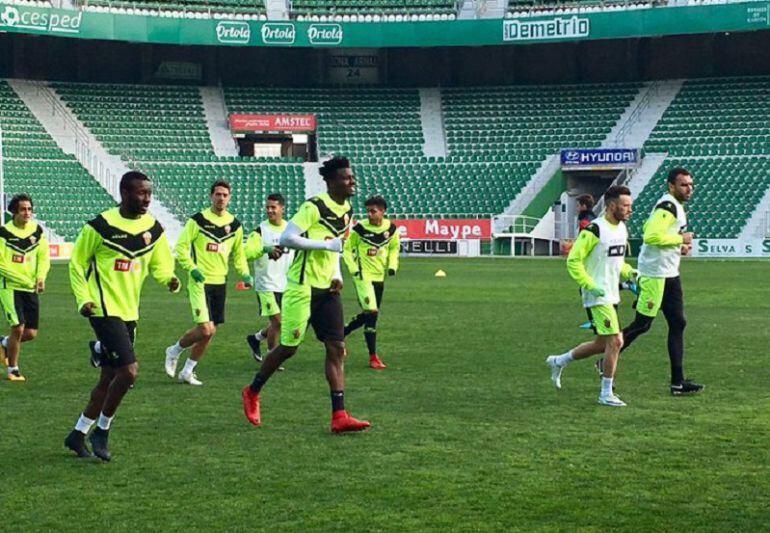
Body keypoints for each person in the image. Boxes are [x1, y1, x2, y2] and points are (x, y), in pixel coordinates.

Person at [241, 156, 371, 433]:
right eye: (347, 177)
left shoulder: (347, 208)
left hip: (328, 289)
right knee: (288, 348)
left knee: (336, 348)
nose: (352, 181)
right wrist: (324, 245)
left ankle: (340, 415)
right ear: (331, 181)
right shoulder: (314, 207)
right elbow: (287, 238)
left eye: (352, 177)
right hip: (301, 288)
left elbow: (337, 246)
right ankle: (252, 391)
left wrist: (336, 273)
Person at [65, 171, 180, 461]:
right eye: (141, 193)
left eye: (149, 194)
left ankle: (78, 434)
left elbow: (161, 265)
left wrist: (170, 279)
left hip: (130, 311)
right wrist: (84, 298)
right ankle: (102, 430)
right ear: (125, 193)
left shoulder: (153, 229)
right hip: (103, 308)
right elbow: (77, 264)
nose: (147, 199)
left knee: (108, 379)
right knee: (129, 372)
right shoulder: (100, 226)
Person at [614, 168, 703, 395]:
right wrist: (679, 239)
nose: (689, 188)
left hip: (669, 273)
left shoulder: (674, 207)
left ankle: (677, 382)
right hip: (655, 274)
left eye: (691, 184)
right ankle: (606, 358)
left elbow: (650, 230)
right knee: (642, 324)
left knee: (678, 323)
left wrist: (678, 246)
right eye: (684, 185)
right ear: (671, 186)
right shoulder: (668, 207)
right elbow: (650, 235)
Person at [546, 185, 636, 407]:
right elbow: (573, 261)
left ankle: (558, 361)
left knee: (600, 344)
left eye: (630, 206)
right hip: (597, 296)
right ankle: (606, 393)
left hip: (612, 293)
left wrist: (631, 273)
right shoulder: (594, 230)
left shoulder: (622, 229)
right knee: (616, 341)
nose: (629, 210)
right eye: (625, 206)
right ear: (611, 205)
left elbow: (617, 262)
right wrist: (590, 285)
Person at [164, 180, 252, 386]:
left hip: (220, 283)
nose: (221, 198)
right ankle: (174, 350)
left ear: (229, 198)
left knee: (211, 331)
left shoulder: (236, 226)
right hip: (200, 282)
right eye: (218, 194)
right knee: (205, 329)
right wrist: (192, 269)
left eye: (225, 195)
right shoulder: (198, 221)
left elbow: (239, 255)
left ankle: (188, 371)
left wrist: (246, 274)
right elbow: (182, 248)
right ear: (211, 196)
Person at [342, 195, 400, 370]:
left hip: (379, 278)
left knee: (370, 315)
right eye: (368, 211)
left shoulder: (391, 229)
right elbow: (346, 250)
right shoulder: (359, 229)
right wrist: (354, 269)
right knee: (372, 313)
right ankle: (373, 356)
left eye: (373, 211)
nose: (370, 214)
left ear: (383, 211)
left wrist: (392, 266)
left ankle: (342, 333)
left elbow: (394, 249)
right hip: (363, 277)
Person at [0, 194, 50, 381]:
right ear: (14, 211)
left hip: (30, 288)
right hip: (9, 287)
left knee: (30, 333)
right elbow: (1, 264)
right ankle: (13, 369)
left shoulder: (37, 231)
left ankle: (4, 343)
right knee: (18, 328)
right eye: (23, 209)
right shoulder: (3, 233)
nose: (27, 213)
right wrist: (23, 279)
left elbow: (43, 257)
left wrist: (40, 277)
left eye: (29, 209)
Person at [245, 194, 293, 362]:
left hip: (286, 284)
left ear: (282, 208)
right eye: (268, 207)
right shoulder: (260, 231)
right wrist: (264, 249)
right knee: (278, 322)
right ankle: (273, 358)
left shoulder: (290, 229)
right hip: (265, 284)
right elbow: (247, 253)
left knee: (281, 323)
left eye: (273, 207)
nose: (270, 210)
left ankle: (256, 338)